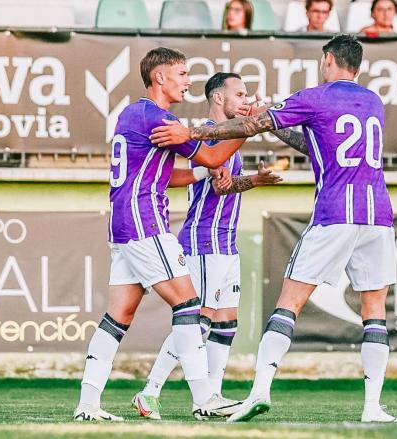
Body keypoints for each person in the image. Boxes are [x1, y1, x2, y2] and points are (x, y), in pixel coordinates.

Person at [150, 34, 397, 424]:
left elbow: (251, 126)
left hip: (334, 213)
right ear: (360, 67)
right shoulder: (373, 102)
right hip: (378, 215)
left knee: (288, 303)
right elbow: (319, 144)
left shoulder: (315, 96)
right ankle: (372, 407)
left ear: (328, 60)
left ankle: (258, 392)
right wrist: (273, 126)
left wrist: (193, 134)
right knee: (375, 312)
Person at [73, 47, 254, 422]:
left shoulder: (132, 113)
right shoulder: (159, 118)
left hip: (123, 226)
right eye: (183, 73)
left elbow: (167, 175)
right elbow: (213, 156)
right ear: (160, 77)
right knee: (189, 305)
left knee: (116, 317)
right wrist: (250, 125)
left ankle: (87, 404)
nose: (188, 81)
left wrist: (205, 168)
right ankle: (205, 397)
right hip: (145, 222)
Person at [131, 73, 283, 420]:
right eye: (240, 94)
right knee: (196, 322)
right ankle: (149, 391)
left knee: (226, 321)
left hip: (226, 242)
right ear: (218, 98)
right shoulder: (203, 136)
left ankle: (210, 398)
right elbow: (213, 185)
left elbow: (226, 185)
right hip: (203, 241)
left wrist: (254, 180)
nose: (246, 100)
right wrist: (246, 134)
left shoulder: (228, 137)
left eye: (247, 95)